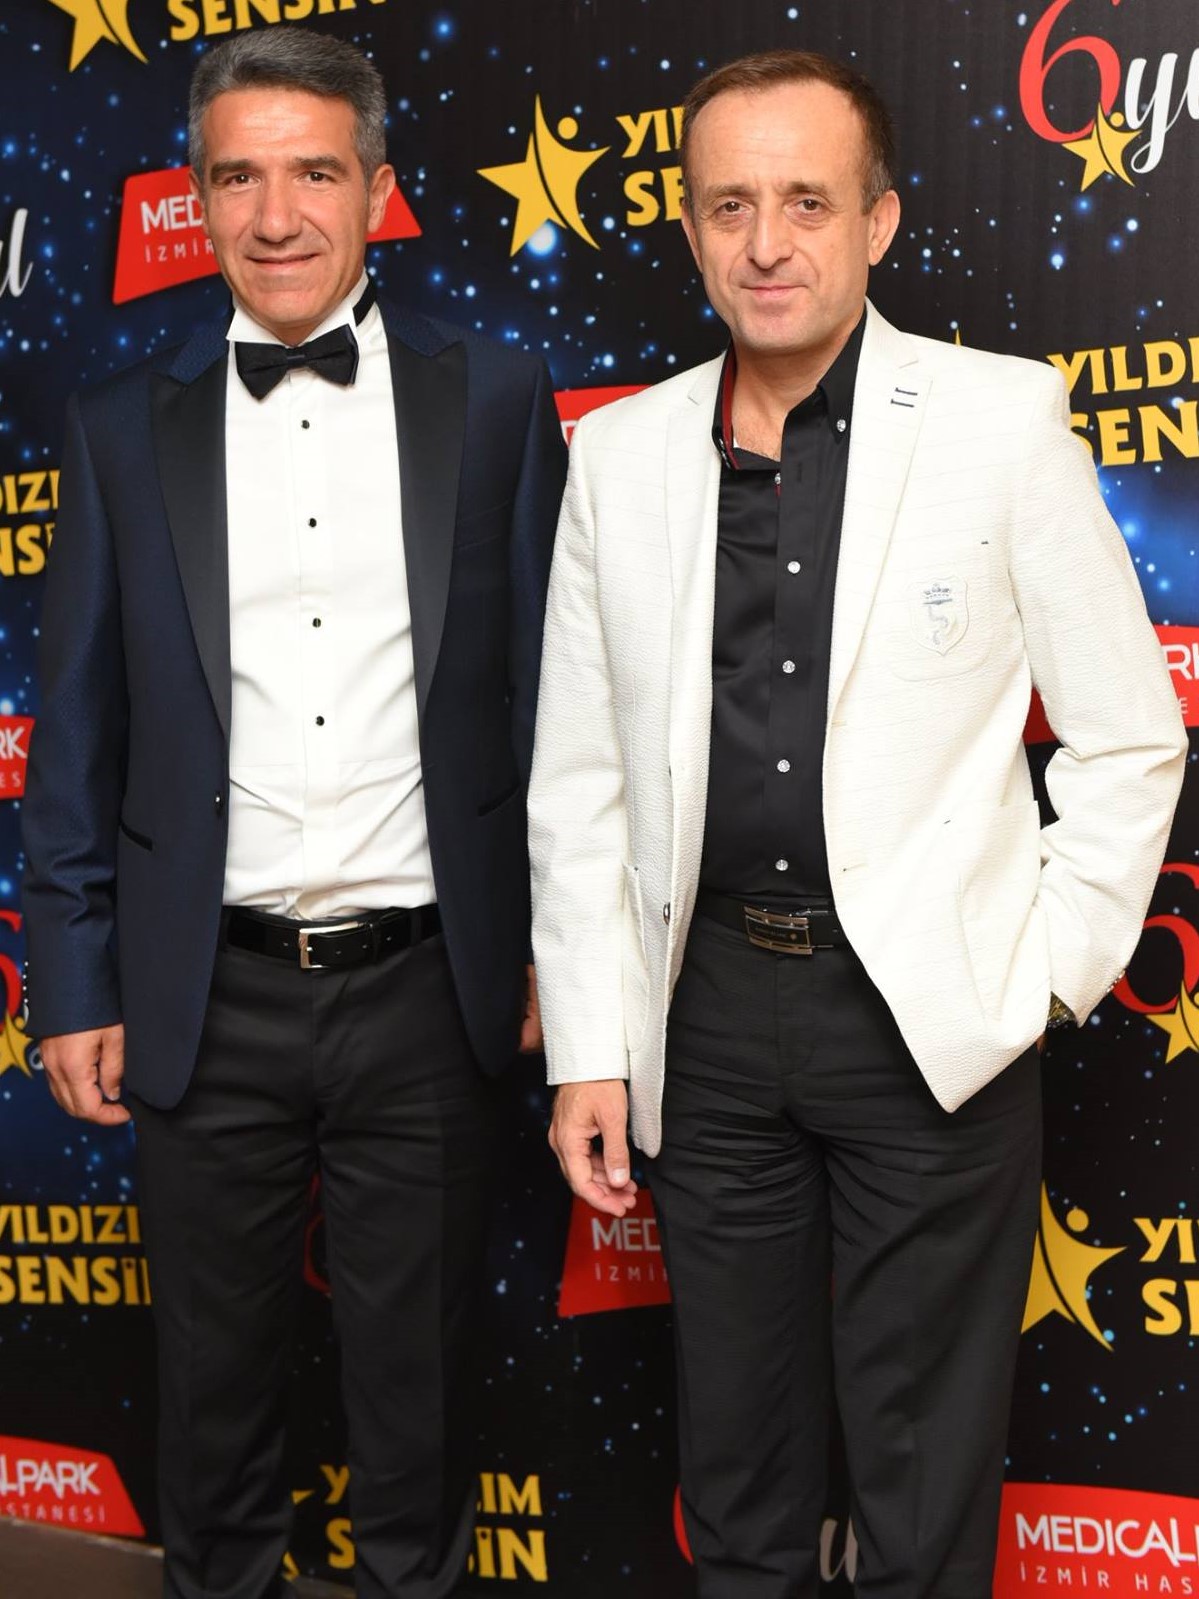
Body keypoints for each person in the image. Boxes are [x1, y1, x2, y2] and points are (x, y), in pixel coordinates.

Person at [528, 49, 1185, 1599]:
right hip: (707, 1022)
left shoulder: (999, 422)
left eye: (808, 202)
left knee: (922, 1486)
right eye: (731, 206)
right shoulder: (619, 454)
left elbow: (1128, 731)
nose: (768, 243)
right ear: (692, 229)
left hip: (927, 1019)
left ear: (878, 221)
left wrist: (1042, 976)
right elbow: (580, 777)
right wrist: (591, 1046)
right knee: (736, 1477)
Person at [22, 27, 565, 1599]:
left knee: (422, 1417)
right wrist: (74, 978)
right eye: (237, 178)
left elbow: (553, 704)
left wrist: (558, 951)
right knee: (211, 1426)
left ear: (377, 190)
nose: (275, 217)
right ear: (194, 199)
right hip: (206, 992)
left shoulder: (496, 395)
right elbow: (77, 732)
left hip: (433, 989)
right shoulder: (119, 424)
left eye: (314, 173)